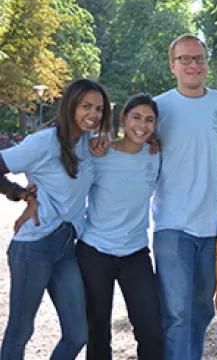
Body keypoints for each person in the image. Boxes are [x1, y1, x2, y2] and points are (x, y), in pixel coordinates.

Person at [0, 79, 111, 359]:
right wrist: (22, 194)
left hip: (66, 246)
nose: (94, 114)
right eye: (86, 106)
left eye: (99, 109)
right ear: (71, 105)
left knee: (77, 335)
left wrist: (153, 141)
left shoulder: (89, 143)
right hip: (34, 246)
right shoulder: (44, 142)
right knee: (20, 331)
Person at [151, 34, 217, 360]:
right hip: (172, 227)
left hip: (214, 227)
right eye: (185, 59)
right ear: (172, 65)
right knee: (175, 313)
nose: (193, 65)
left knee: (202, 309)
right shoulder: (159, 108)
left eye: (199, 58)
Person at [76, 93, 164, 359]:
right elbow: (55, 151)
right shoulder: (97, 152)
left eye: (150, 120)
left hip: (135, 253)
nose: (142, 125)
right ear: (123, 118)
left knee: (151, 329)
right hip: (94, 252)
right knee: (97, 328)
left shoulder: (155, 154)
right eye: (136, 117)